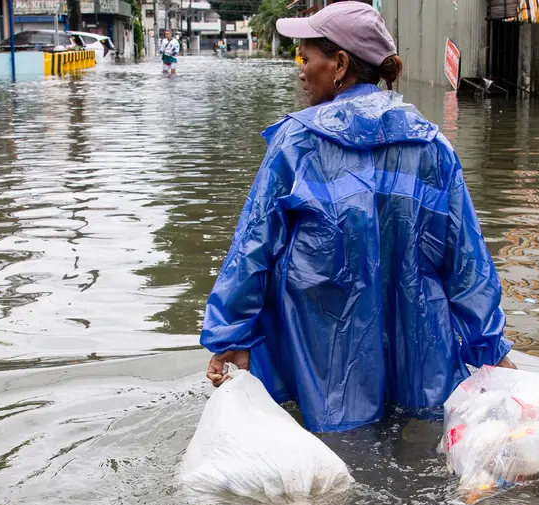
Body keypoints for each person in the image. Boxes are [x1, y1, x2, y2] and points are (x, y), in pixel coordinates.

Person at [200, 2, 514, 433]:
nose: (301, 70)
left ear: (340, 64)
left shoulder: (298, 142)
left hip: (324, 357)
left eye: (305, 58)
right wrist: (490, 347)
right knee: (416, 461)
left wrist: (230, 338)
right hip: (422, 354)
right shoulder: (432, 146)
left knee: (333, 464)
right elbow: (467, 263)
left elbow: (253, 249)